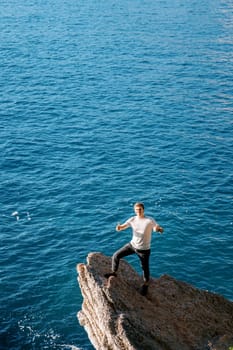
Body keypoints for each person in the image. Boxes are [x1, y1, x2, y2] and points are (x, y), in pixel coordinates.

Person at [104, 202, 164, 296]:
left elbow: (156, 228)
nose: (138, 211)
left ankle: (145, 285)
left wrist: (158, 229)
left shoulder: (149, 220)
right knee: (116, 255)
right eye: (136, 210)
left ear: (143, 210)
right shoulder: (132, 219)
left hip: (144, 250)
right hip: (132, 245)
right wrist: (119, 228)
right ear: (134, 210)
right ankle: (114, 272)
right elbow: (122, 227)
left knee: (145, 268)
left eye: (140, 209)